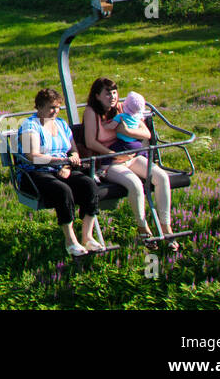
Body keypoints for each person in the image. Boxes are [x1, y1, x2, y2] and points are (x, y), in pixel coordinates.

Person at [83, 78, 177, 251]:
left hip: (131, 156)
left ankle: (165, 226)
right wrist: (113, 154)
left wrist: (127, 132)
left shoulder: (122, 108)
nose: (112, 97)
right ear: (97, 96)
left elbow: (145, 133)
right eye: (107, 93)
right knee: (134, 185)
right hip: (109, 161)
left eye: (114, 92)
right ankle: (143, 228)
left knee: (161, 177)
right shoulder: (91, 113)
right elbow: (90, 142)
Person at [16, 87, 102, 257]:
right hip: (35, 173)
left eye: (57, 107)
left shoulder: (62, 124)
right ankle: (70, 240)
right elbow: (32, 156)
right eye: (50, 107)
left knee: (89, 184)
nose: (54, 111)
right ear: (39, 108)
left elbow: (73, 151)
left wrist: (69, 165)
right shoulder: (29, 126)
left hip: (61, 168)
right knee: (63, 190)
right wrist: (60, 162)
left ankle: (87, 236)